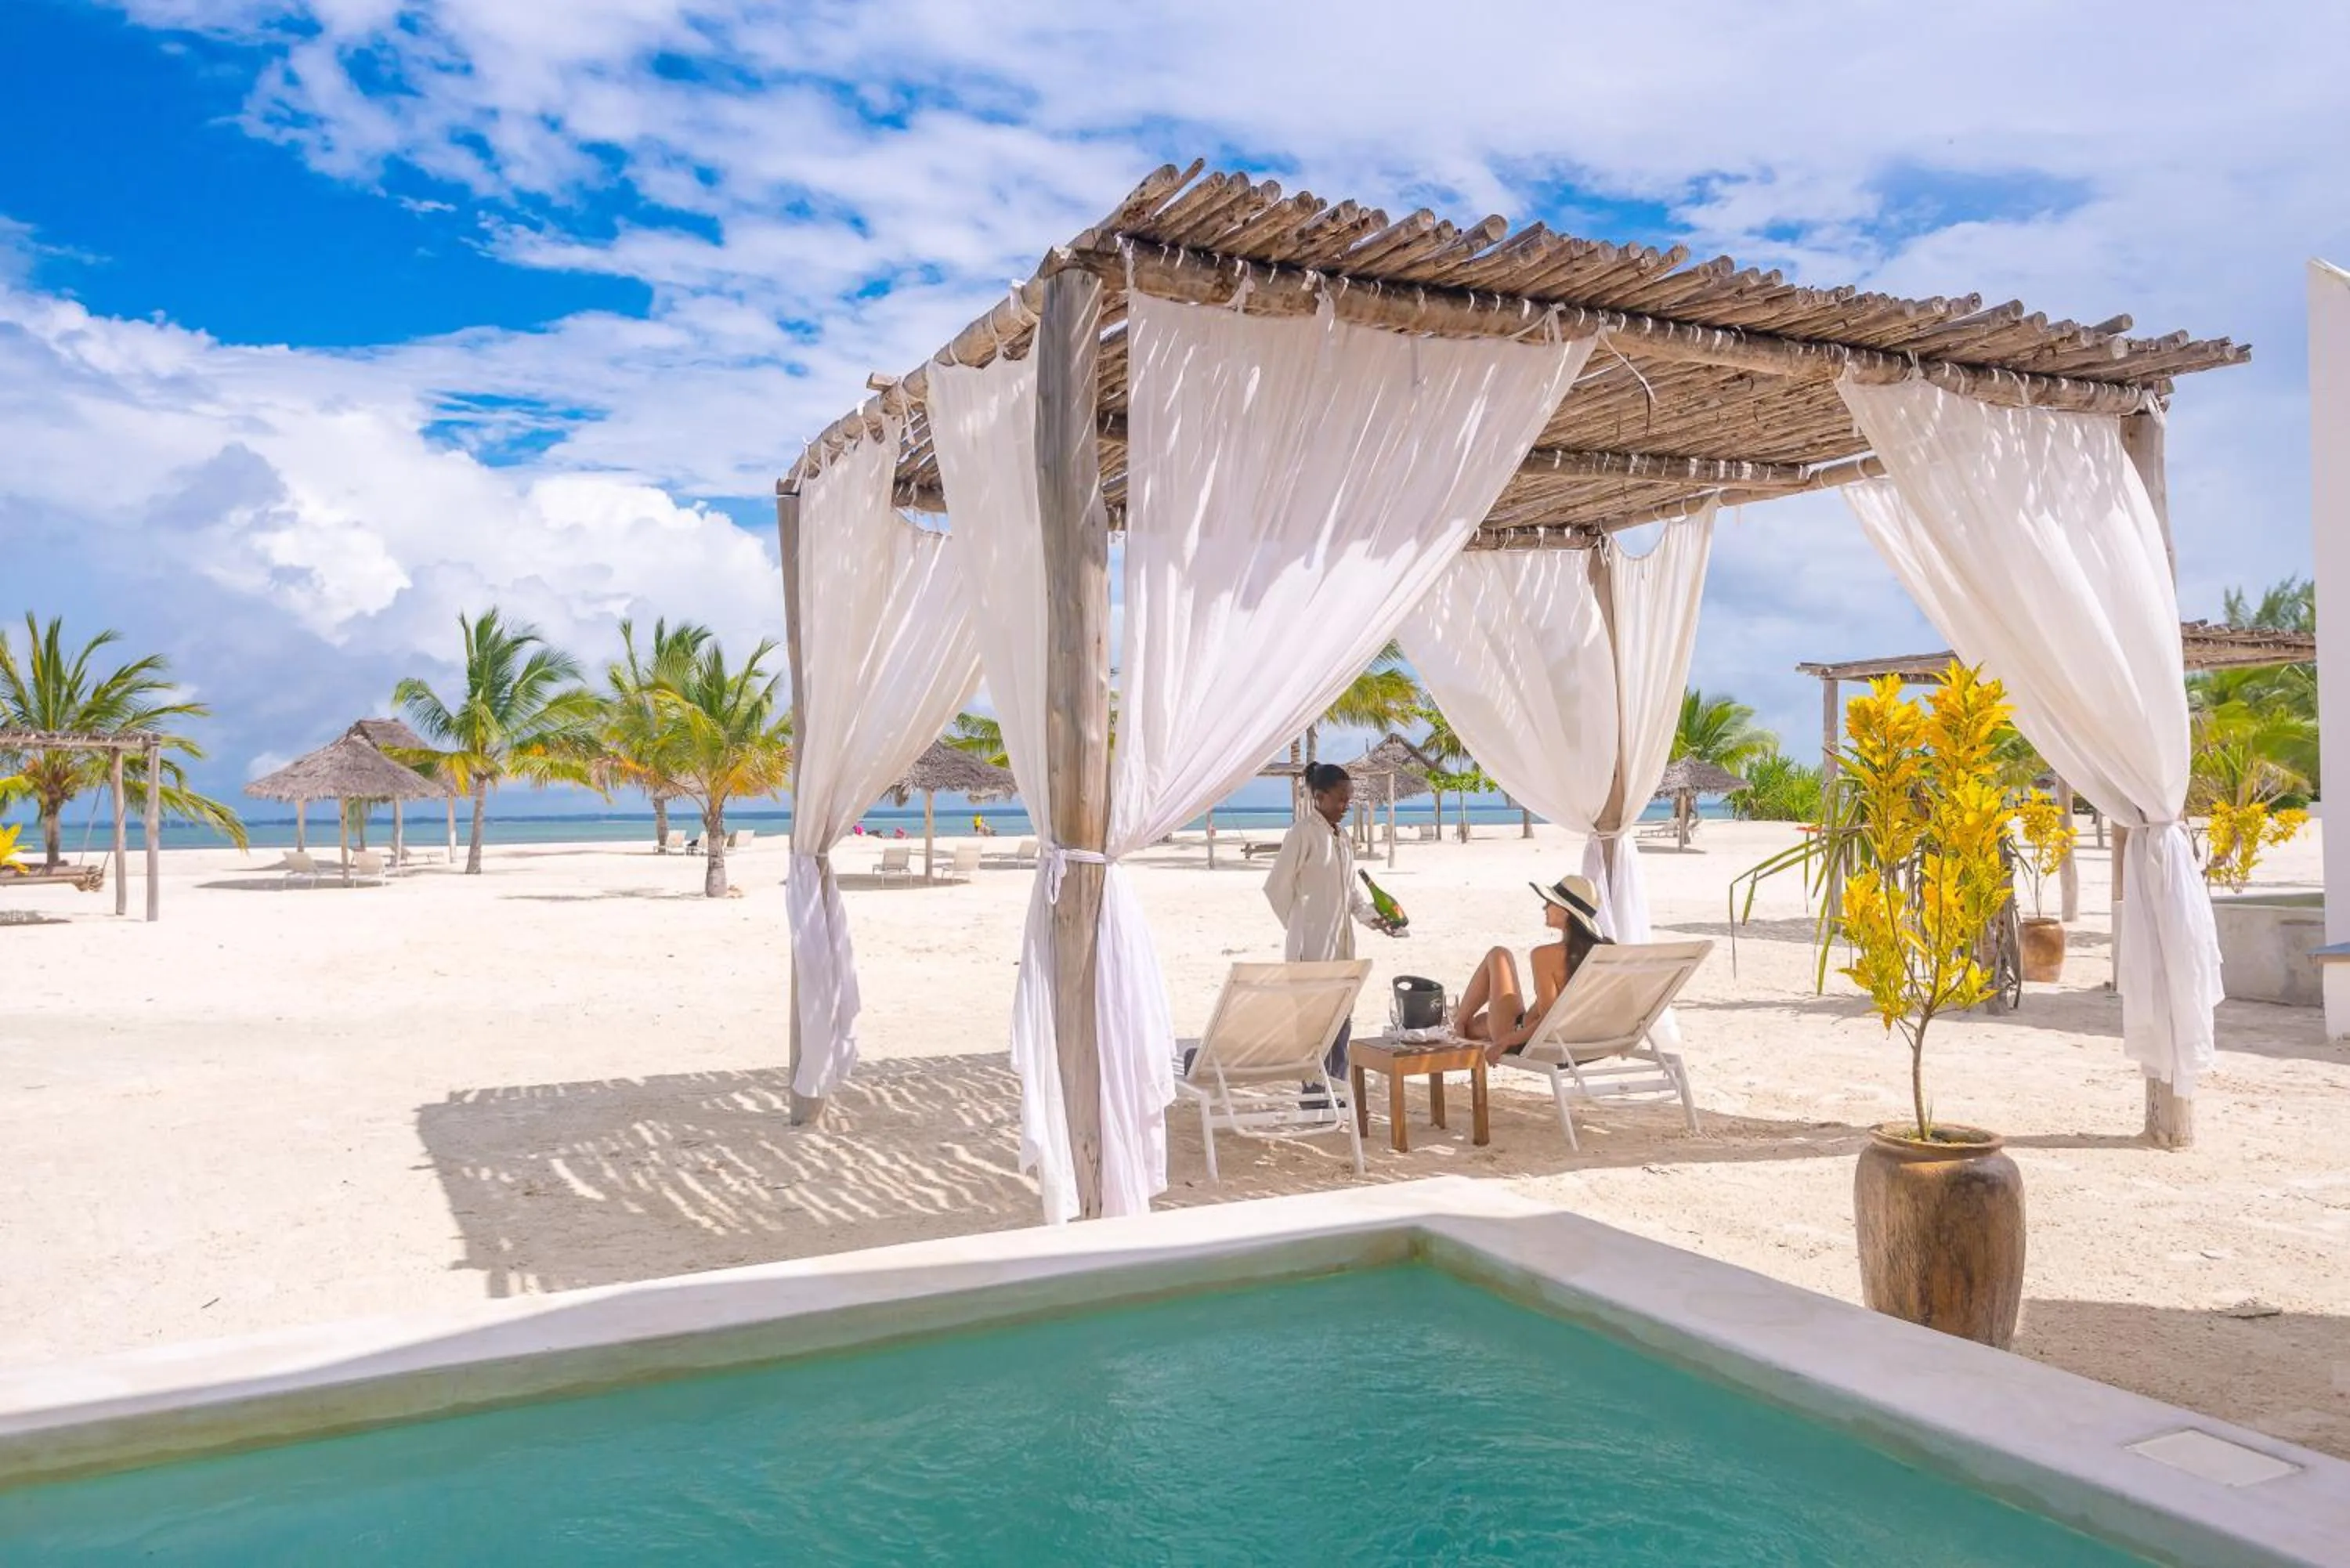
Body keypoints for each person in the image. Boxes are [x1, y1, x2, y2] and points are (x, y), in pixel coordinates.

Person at [1263, 763, 1398, 1081]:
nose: (1345, 806)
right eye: (1340, 799)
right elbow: (1275, 888)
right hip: (1310, 952)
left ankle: (1336, 1093)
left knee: (1342, 1022)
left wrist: (1374, 920)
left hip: (1342, 948)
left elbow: (1350, 894)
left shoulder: (1343, 838)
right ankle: (1315, 1100)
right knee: (1314, 1027)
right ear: (1319, 797)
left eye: (1348, 799)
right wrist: (1300, 925)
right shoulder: (1302, 833)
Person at [1455, 874, 1611, 1064]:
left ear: (1565, 912)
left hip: (1526, 1038)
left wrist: (1506, 1041)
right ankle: (1464, 1025)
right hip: (1584, 1041)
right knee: (1479, 1025)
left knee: (1498, 955)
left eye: (1549, 903)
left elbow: (1548, 1021)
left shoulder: (1545, 956)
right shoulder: (1607, 952)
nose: (1544, 907)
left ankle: (1458, 1024)